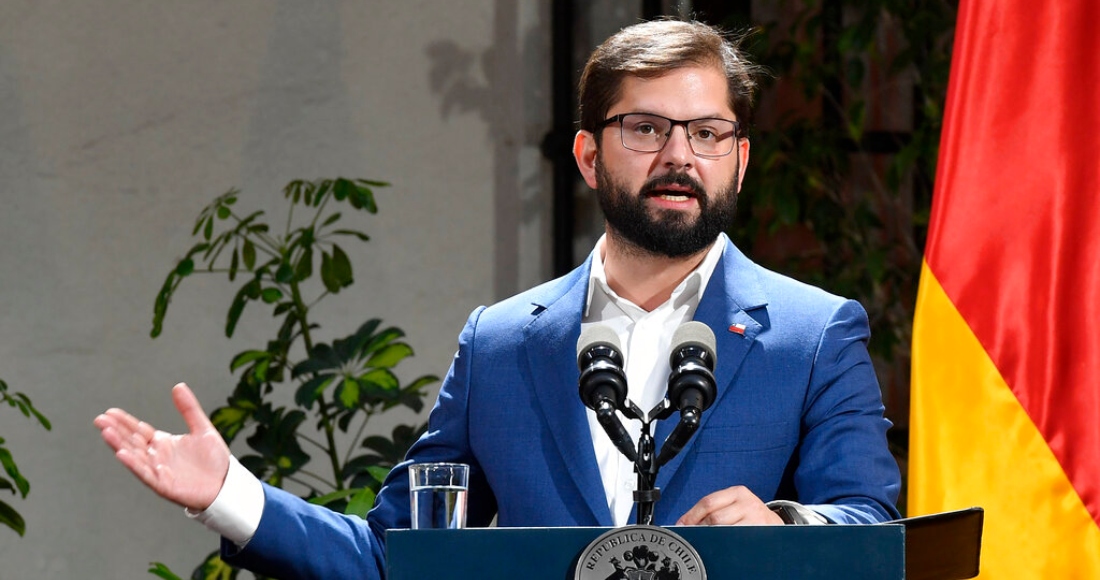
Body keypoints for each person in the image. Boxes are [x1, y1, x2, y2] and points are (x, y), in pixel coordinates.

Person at [96, 19, 901, 580]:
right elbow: (399, 558)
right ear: (588, 155)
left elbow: (877, 536)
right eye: (647, 129)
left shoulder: (812, 333)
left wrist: (788, 528)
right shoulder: (503, 343)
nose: (679, 155)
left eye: (707, 132)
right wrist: (231, 496)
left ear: (741, 158)